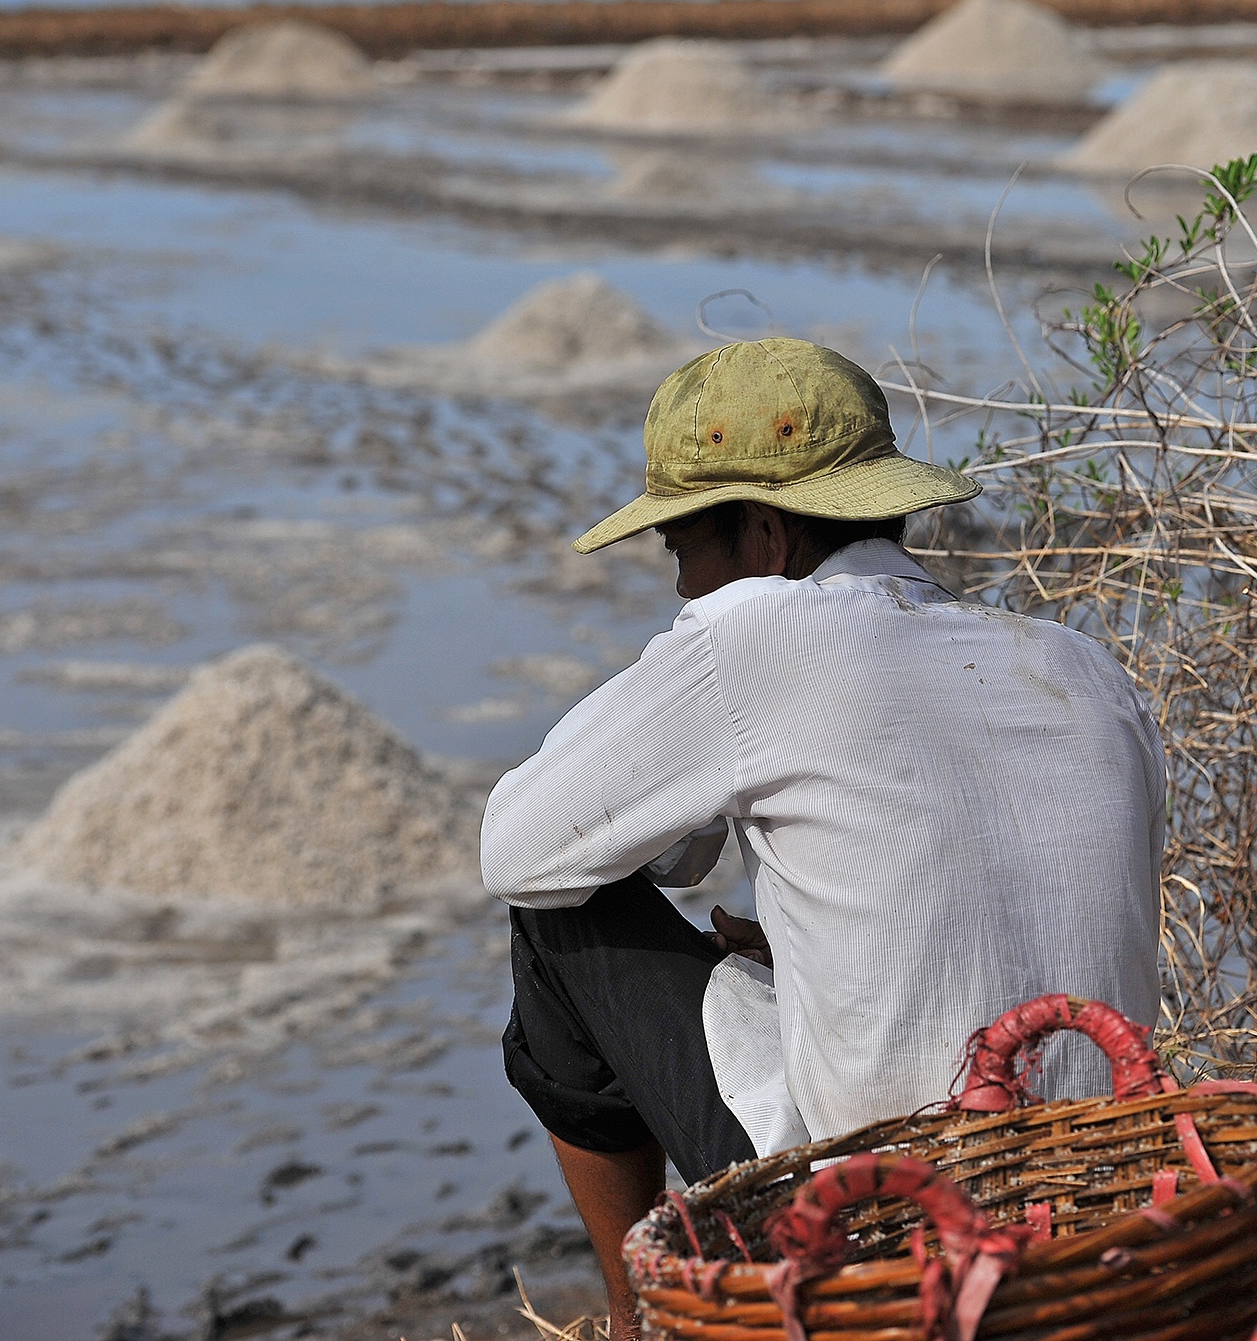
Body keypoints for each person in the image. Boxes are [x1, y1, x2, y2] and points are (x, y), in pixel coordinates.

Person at [482, 338, 1166, 1339]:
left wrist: (702, 703)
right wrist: (808, 949)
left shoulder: (751, 638)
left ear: (764, 535)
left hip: (887, 1221)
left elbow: (516, 846)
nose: (682, 589)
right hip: (1105, 1193)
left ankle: (637, 1323)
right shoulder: (1080, 665)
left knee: (555, 917)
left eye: (683, 552)